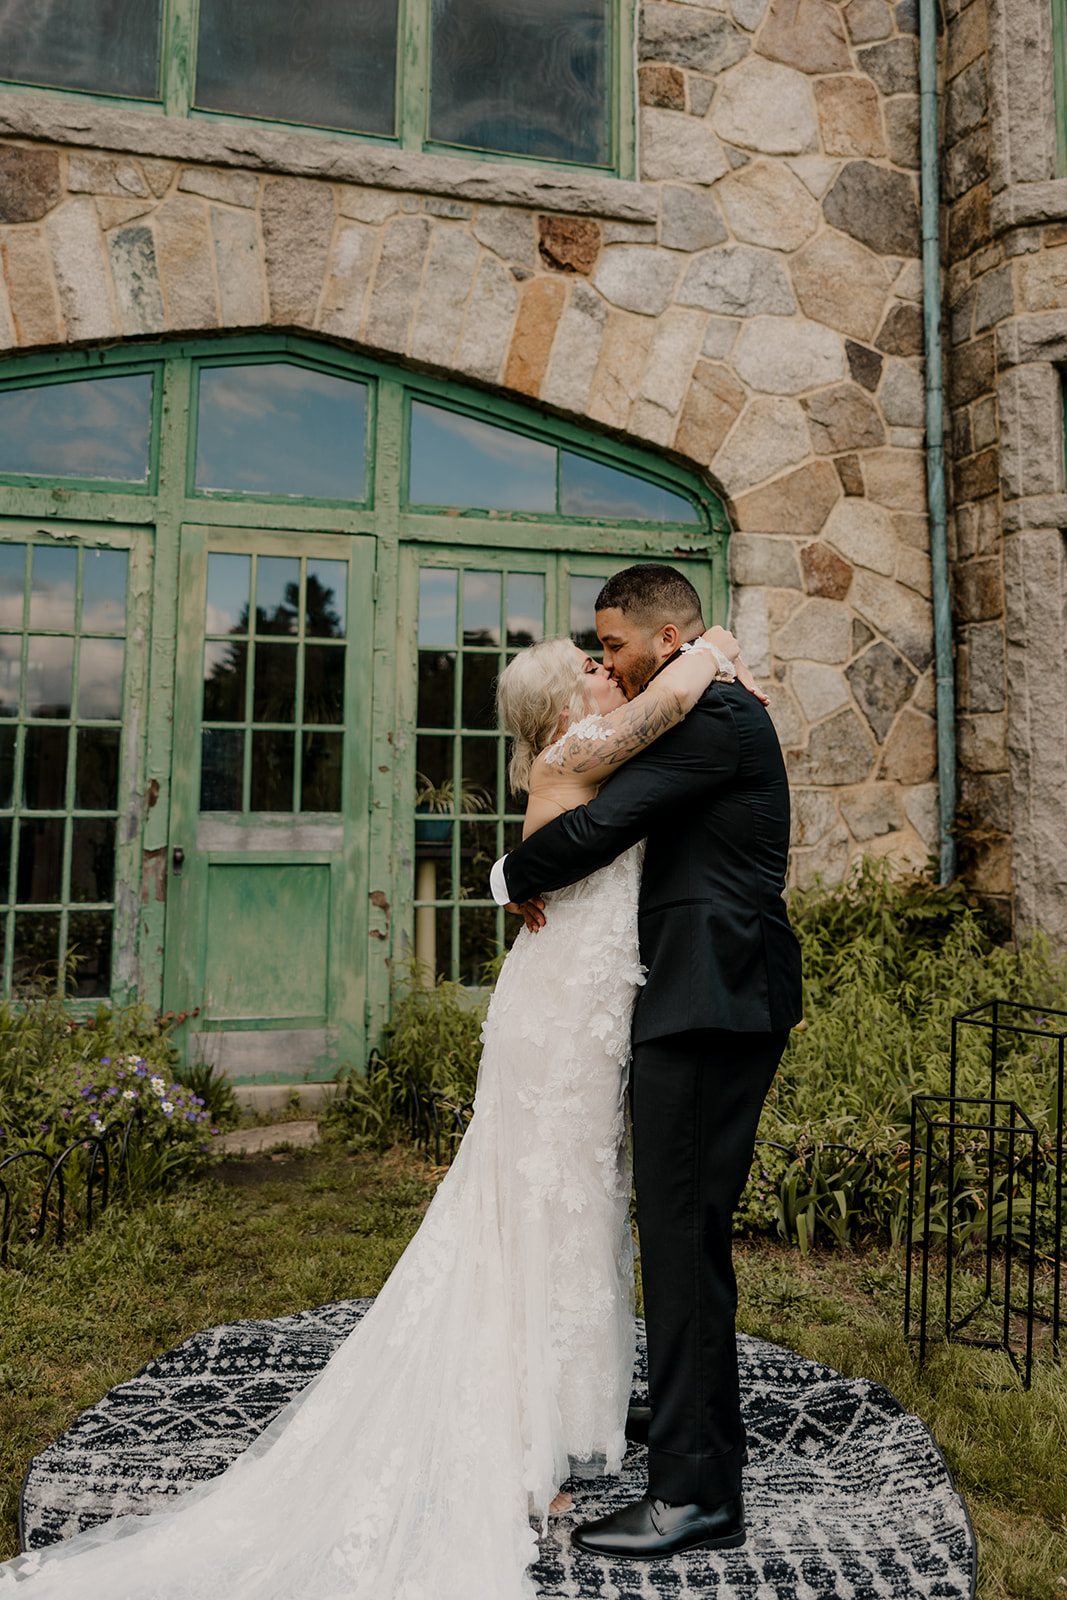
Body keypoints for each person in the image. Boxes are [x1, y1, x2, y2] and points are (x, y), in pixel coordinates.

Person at [0, 621, 746, 1600]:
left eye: (606, 665)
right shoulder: (577, 750)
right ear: (562, 708)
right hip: (560, 1024)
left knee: (569, 1213)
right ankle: (522, 1436)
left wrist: (505, 870)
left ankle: (556, 1418)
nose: (607, 675)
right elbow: (664, 706)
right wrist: (711, 646)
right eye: (590, 670)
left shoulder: (578, 755)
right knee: (539, 1214)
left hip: (581, 1012)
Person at [492, 563, 803, 1563]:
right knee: (680, 1236)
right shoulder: (696, 698)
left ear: (663, 638)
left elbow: (596, 826)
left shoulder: (710, 721)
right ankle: (693, 1440)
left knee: (679, 1243)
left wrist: (508, 873)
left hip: (709, 1004)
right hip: (694, 998)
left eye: (614, 645)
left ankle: (692, 1497)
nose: (603, 660)